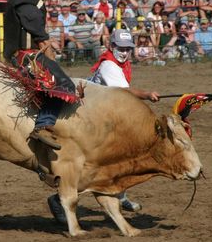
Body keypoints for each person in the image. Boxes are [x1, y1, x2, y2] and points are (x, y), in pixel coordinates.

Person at [46, 28, 161, 223]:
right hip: (92, 117)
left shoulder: (119, 64)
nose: (124, 52)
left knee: (119, 157)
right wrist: (147, 94)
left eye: (127, 48)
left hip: (101, 113)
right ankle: (60, 199)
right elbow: (125, 92)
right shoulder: (109, 65)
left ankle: (120, 196)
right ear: (111, 46)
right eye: (120, 48)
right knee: (100, 163)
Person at [2, 0, 75, 151]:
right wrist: (54, 66)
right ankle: (43, 124)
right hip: (27, 56)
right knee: (64, 86)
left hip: (16, 53)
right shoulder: (29, 9)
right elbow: (43, 42)